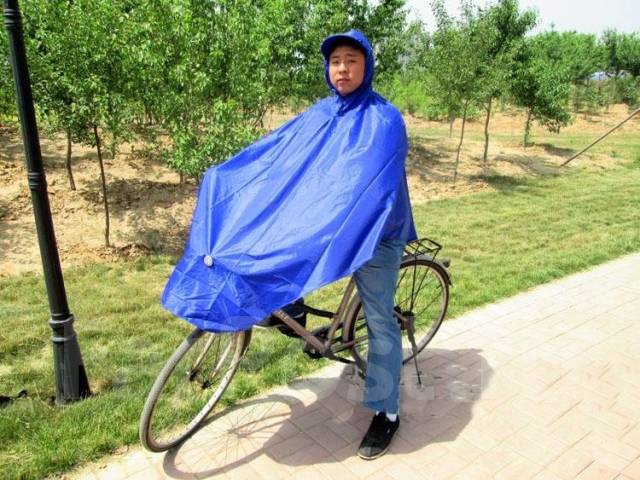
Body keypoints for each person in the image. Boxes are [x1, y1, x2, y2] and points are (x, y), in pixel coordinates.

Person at [320, 31, 416, 460]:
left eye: (351, 60)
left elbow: (376, 186)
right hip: (338, 226)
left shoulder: (385, 119)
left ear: (367, 66)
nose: (342, 68)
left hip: (378, 233)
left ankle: (387, 413)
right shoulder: (323, 115)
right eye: (335, 61)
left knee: (379, 322)